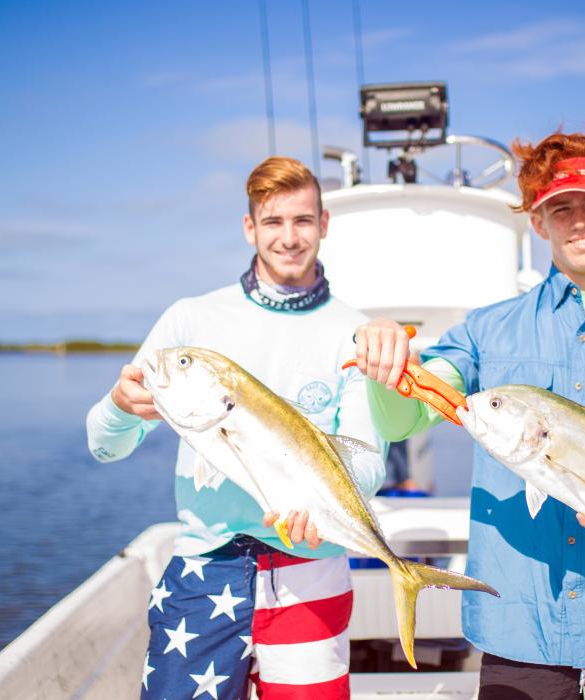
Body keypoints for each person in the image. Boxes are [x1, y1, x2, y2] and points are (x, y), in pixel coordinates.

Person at [353, 131, 585, 698]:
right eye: (561, 208)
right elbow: (403, 423)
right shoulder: (486, 330)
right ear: (538, 222)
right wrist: (389, 365)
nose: (579, 221)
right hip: (519, 621)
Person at [86, 156, 383, 700]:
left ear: (324, 224)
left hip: (309, 571)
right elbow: (103, 447)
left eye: (302, 221)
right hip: (205, 566)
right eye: (273, 222)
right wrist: (120, 405)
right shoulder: (190, 322)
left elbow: (365, 458)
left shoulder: (354, 332)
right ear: (250, 227)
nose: (289, 238)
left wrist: (325, 508)